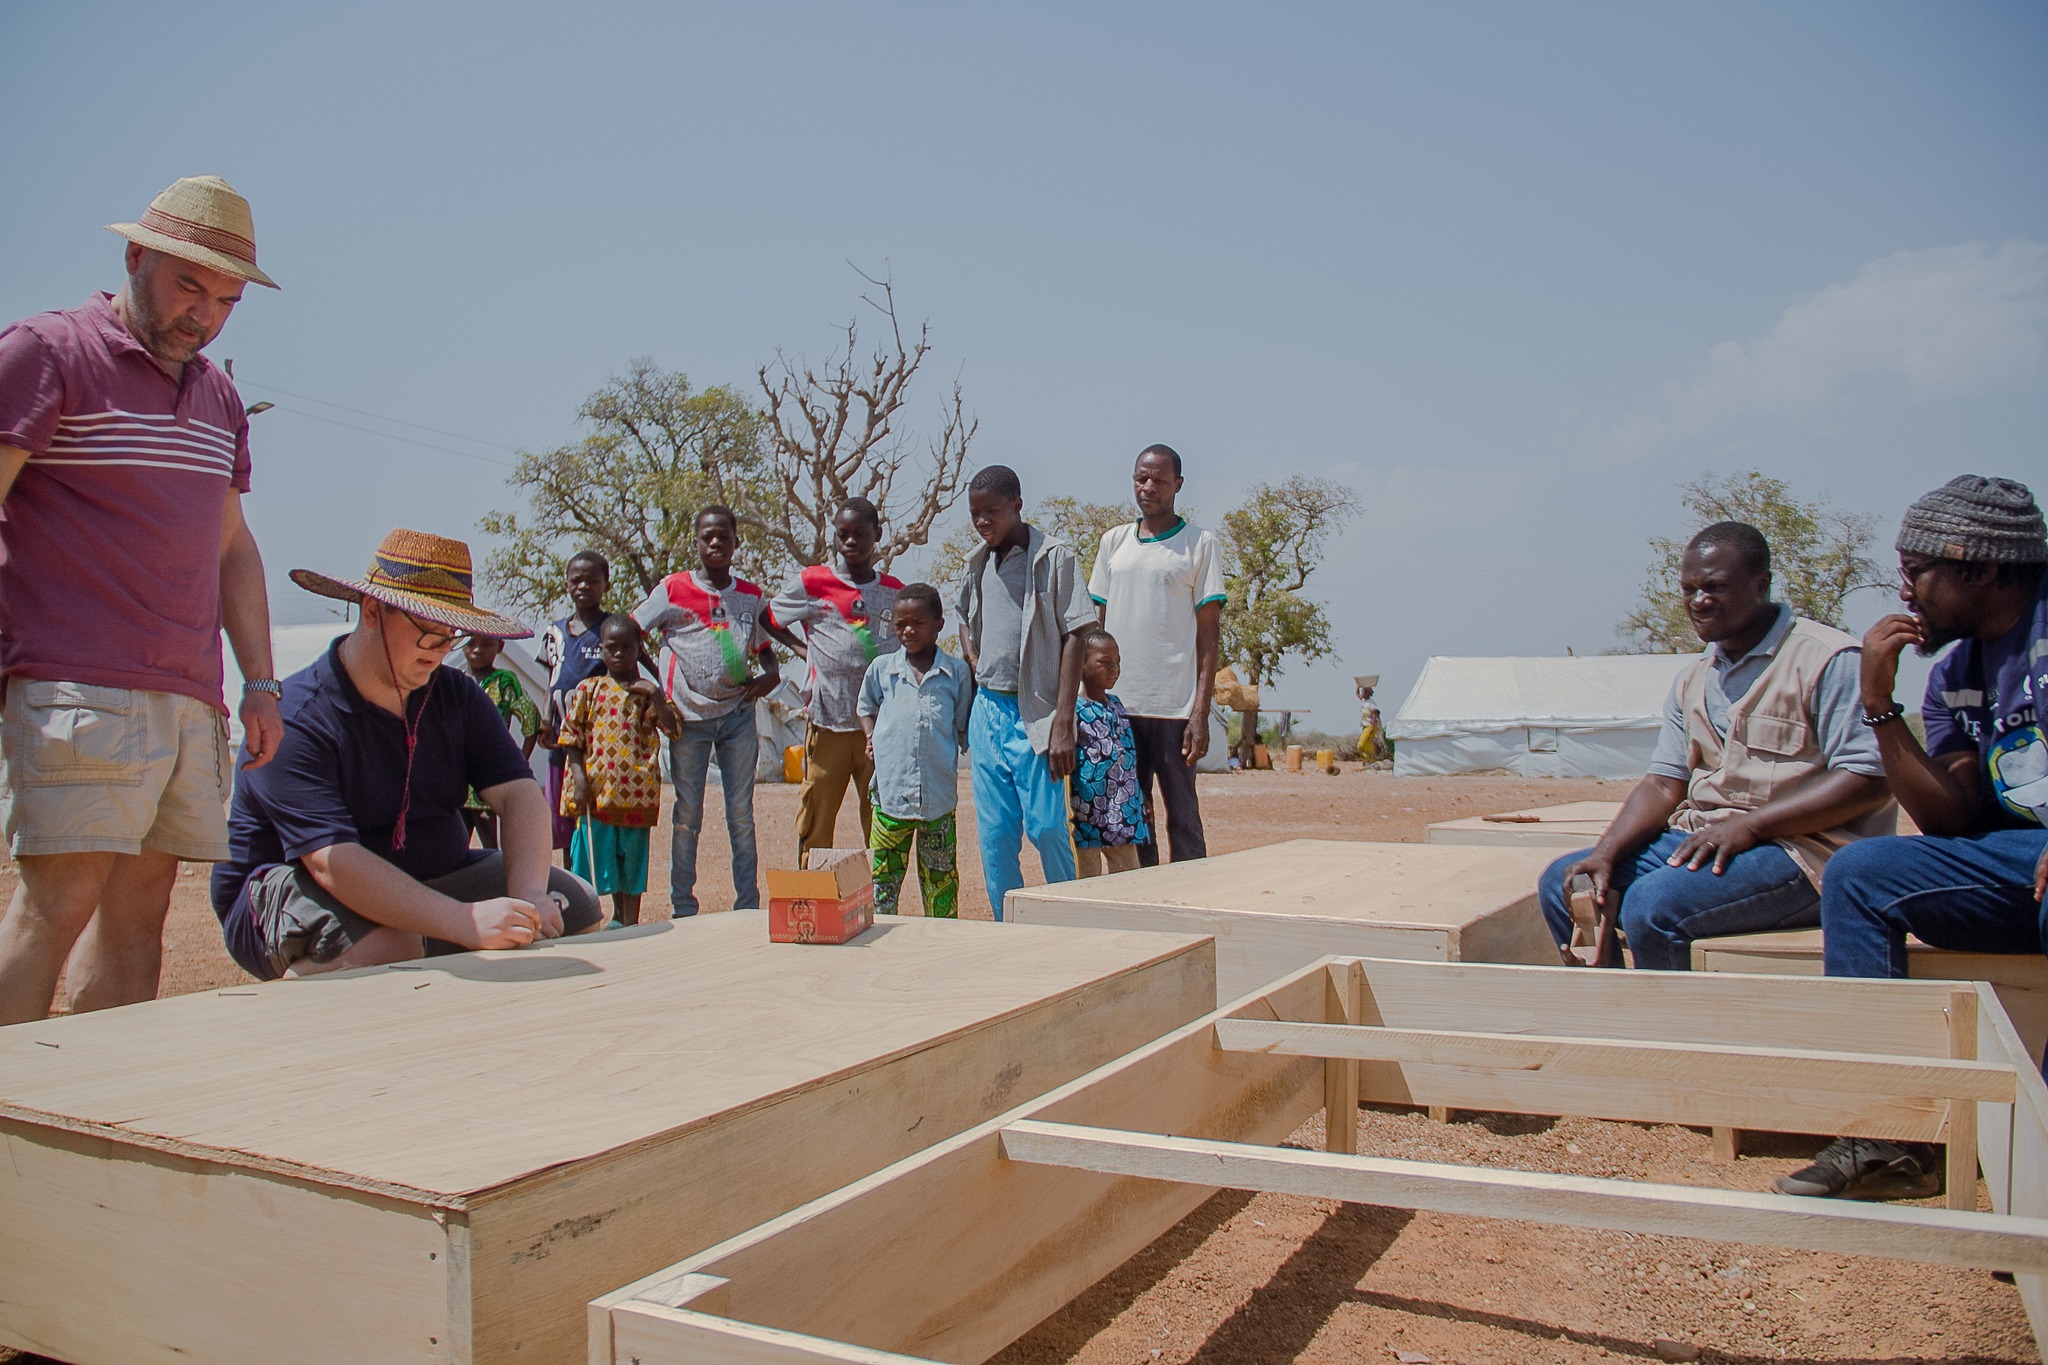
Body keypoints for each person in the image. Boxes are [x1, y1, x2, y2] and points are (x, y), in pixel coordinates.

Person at [0, 175, 286, 1025]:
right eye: (188, 285)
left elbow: (232, 547)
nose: (205, 314)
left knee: (140, 923)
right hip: (74, 686)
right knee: (54, 908)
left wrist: (260, 682)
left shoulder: (220, 396)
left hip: (189, 698)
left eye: (226, 299)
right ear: (135, 256)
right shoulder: (46, 352)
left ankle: (94, 1133)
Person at [1776, 476, 2047, 1202]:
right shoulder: (1958, 670)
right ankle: (1890, 1139)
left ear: (1981, 568)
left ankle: (2038, 1170)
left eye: (1915, 571)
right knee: (1862, 871)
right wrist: (1877, 701)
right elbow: (1950, 817)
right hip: (2014, 865)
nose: (1904, 591)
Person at [210, 530, 605, 980]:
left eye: (450, 637)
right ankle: (302, 1010)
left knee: (573, 905)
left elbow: (519, 795)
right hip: (287, 888)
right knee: (392, 944)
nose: (440, 652)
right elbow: (330, 862)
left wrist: (530, 895)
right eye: (427, 633)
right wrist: (464, 922)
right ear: (373, 611)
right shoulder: (296, 716)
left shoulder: (457, 696)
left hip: (427, 876)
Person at [1536, 521, 1893, 970]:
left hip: (1806, 855)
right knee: (1564, 883)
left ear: (1760, 585)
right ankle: (1617, 1016)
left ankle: (1678, 1030)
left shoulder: (1828, 660)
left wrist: (1750, 827)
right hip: (1706, 841)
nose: (1698, 601)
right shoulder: (1695, 678)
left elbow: (1867, 781)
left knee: (1654, 904)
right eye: (1689, 589)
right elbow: (1664, 783)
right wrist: (1604, 852)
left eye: (1715, 587)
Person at [956, 465, 1093, 919]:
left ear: (1017, 505)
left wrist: (1063, 719)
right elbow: (961, 616)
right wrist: (973, 657)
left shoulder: (1054, 559)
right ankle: (1007, 926)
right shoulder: (976, 562)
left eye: (991, 512)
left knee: (1048, 826)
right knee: (995, 836)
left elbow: (1077, 633)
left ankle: (1070, 920)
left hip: (1036, 710)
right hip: (988, 711)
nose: (982, 522)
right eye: (975, 514)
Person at [634, 506, 779, 916]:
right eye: (707, 537)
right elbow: (630, 632)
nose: (715, 543)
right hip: (687, 719)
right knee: (687, 813)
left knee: (741, 813)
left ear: (736, 541)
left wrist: (770, 676)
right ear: (696, 542)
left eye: (723, 536)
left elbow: (767, 654)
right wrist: (658, 688)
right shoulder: (673, 589)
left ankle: (747, 906)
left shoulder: (750, 597)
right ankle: (683, 905)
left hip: (737, 716)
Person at [1089, 444, 1225, 864]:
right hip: (1120, 708)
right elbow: (1097, 628)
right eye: (1140, 479)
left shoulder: (1200, 544)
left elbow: (1209, 635)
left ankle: (1192, 903)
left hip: (1175, 708)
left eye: (1159, 481)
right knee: (1134, 817)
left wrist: (1200, 711)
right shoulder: (1113, 542)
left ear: (1177, 485)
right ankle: (1147, 905)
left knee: (1182, 817)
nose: (1147, 487)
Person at [768, 497, 903, 863]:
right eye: (842, 534)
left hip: (879, 727)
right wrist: (803, 650)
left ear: (878, 533)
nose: (851, 542)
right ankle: (812, 903)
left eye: (860, 534)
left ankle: (881, 901)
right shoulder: (814, 582)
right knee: (817, 817)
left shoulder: (894, 590)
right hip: (829, 723)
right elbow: (769, 618)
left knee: (880, 817)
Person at [857, 583, 973, 917]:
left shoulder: (956, 673)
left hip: (937, 803)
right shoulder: (882, 669)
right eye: (900, 624)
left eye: (917, 623)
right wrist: (870, 736)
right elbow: (865, 708)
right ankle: (882, 951)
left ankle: (939, 949)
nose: (907, 630)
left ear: (939, 624)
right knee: (880, 886)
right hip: (890, 800)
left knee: (941, 886)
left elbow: (962, 724)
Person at [559, 615, 679, 927]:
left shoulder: (645, 694)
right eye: (612, 647)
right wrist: (579, 779)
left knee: (633, 858)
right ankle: (604, 916)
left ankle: (630, 919)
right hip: (599, 794)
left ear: (639, 649)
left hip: (638, 795)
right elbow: (571, 737)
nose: (619, 653)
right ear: (601, 650)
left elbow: (674, 729)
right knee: (601, 857)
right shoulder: (589, 689)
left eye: (628, 647)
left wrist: (655, 694)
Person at [536, 550, 616, 861]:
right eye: (577, 580)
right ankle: (572, 879)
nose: (584, 586)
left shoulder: (612, 629)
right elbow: (551, 680)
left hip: (595, 743)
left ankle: (590, 878)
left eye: (592, 581)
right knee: (564, 816)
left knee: (590, 813)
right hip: (558, 740)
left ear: (606, 585)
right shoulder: (554, 632)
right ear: (567, 585)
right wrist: (545, 720)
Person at [1070, 628, 1150, 877]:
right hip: (1086, 810)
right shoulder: (1073, 709)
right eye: (1104, 663)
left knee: (1128, 876)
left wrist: (1139, 797)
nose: (1113, 669)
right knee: (1086, 878)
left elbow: (1127, 755)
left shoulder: (1117, 704)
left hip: (1122, 809)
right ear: (1081, 666)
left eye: (1117, 663)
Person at [460, 633, 540, 850]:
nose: (477, 649)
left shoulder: (505, 682)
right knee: (455, 843)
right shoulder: (455, 681)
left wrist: (520, 760)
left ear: (500, 646)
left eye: (486, 644)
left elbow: (531, 720)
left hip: (490, 777)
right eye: (470, 643)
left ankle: (496, 882)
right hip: (457, 779)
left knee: (490, 843)